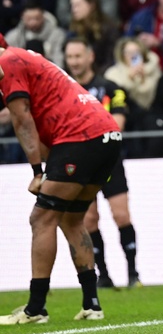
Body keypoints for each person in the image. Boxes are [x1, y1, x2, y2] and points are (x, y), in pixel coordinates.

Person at [0, 33, 121, 324]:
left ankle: (36, 308)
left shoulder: (8, 63)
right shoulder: (23, 58)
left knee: (41, 218)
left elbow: (22, 120)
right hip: (107, 135)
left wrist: (37, 172)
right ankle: (92, 304)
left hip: (80, 137)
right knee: (71, 219)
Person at [64, 38, 141, 289]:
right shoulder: (63, 90)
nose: (74, 62)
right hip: (81, 163)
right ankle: (104, 276)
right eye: (70, 57)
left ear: (90, 57)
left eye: (78, 56)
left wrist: (82, 132)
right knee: (89, 220)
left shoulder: (109, 88)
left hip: (109, 161)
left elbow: (117, 125)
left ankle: (133, 274)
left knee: (121, 215)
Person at [67, 0, 120, 72]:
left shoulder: (108, 29)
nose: (74, 10)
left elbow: (111, 59)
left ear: (91, 5)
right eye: (72, 6)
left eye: (78, 5)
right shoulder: (73, 31)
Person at [4, 2, 66, 68]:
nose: (33, 22)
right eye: (29, 19)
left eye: (37, 18)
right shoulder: (12, 37)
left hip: (49, 69)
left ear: (43, 17)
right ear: (22, 17)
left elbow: (59, 60)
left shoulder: (57, 35)